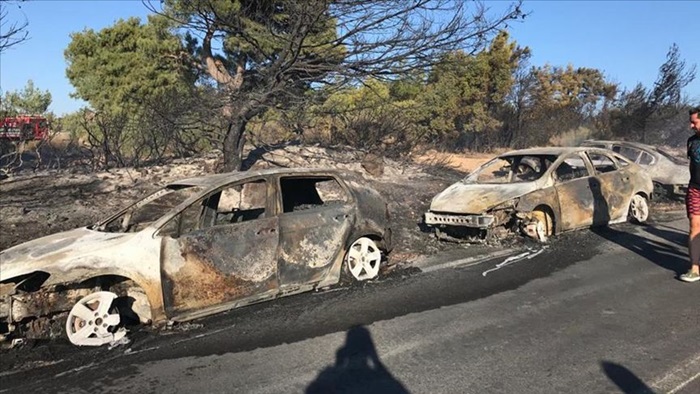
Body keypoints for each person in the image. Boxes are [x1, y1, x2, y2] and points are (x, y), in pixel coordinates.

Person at [683, 106, 700, 282]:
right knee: (694, 227)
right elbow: (691, 166)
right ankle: (694, 269)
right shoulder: (691, 142)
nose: (691, 126)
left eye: (694, 122)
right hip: (695, 189)